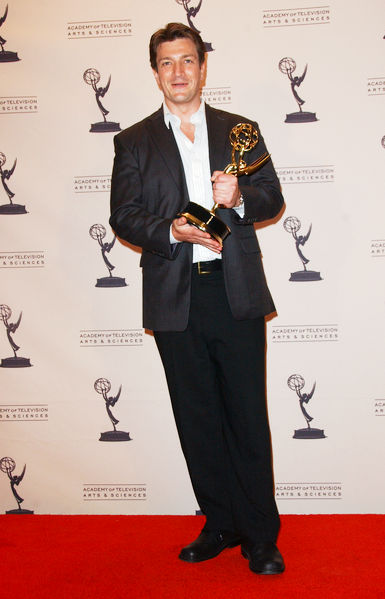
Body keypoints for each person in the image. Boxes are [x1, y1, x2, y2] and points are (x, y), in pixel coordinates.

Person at [110, 22, 285, 575]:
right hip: (174, 295)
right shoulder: (132, 141)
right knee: (197, 415)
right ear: (155, 71)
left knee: (247, 415)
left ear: (203, 67)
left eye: (188, 61)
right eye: (167, 63)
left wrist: (240, 197)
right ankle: (221, 522)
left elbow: (272, 196)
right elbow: (124, 215)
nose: (179, 72)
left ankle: (260, 535)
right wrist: (171, 231)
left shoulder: (241, 131)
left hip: (232, 291)